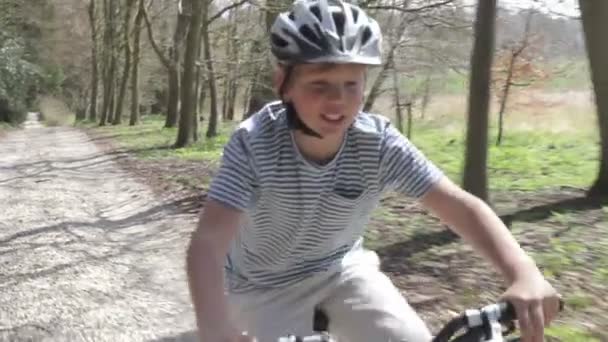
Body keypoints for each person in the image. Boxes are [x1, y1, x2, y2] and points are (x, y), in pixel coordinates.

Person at [186, 0, 561, 341]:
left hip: (343, 272)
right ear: (283, 84)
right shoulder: (253, 143)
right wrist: (214, 325)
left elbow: (460, 206)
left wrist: (524, 272)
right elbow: (208, 243)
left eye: (351, 84)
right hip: (261, 287)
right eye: (320, 84)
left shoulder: (378, 142)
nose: (338, 100)